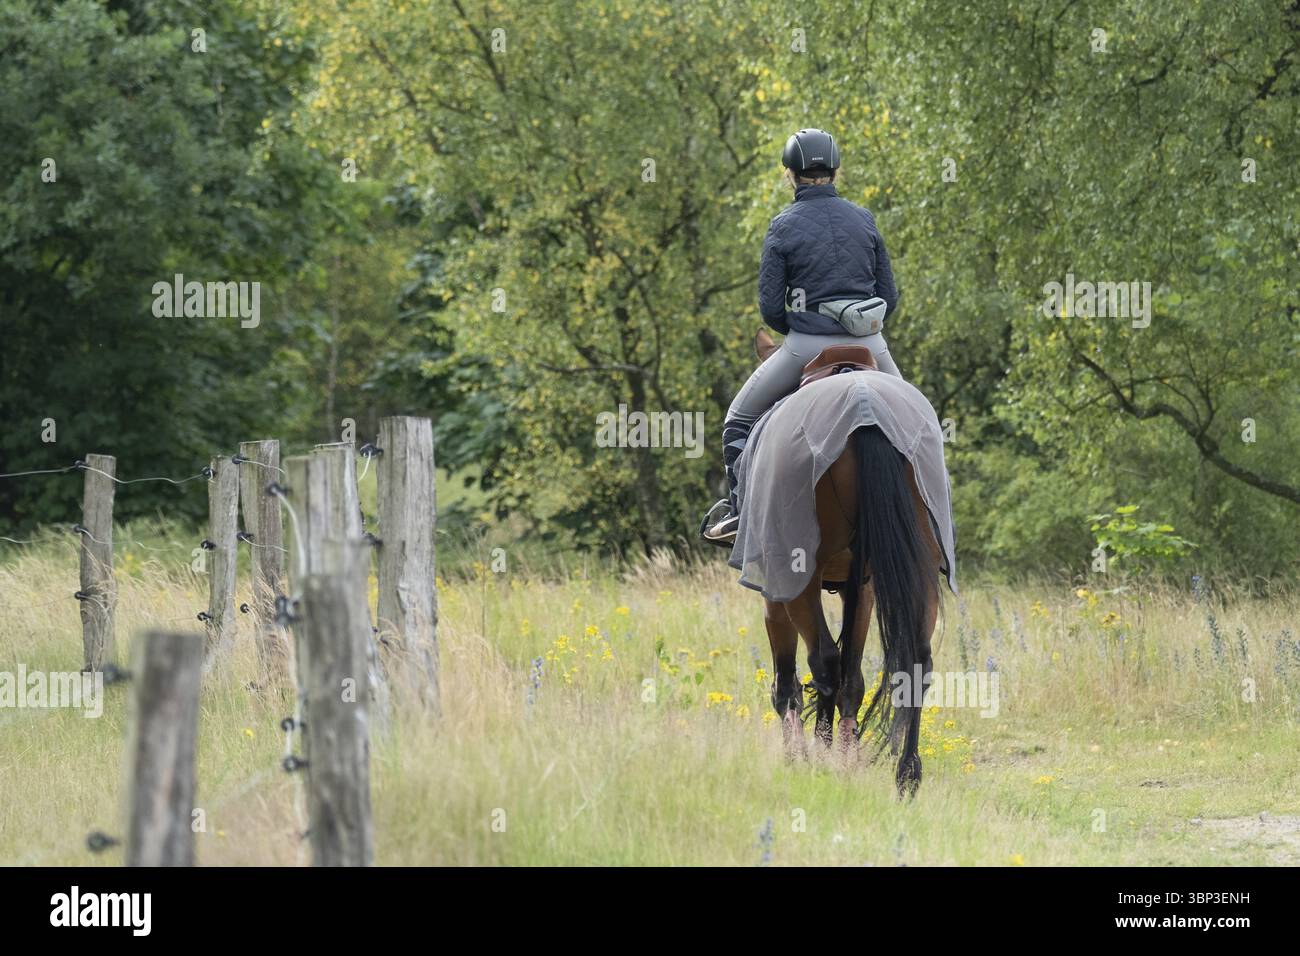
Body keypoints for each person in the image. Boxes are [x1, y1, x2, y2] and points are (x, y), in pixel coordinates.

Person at [702, 128, 903, 544]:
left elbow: (771, 311)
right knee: (919, 424)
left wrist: (805, 319)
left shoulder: (783, 226)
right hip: (870, 346)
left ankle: (740, 512)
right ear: (836, 172)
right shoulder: (864, 219)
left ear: (788, 175)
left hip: (805, 346)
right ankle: (938, 515)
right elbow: (889, 297)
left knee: (737, 420)